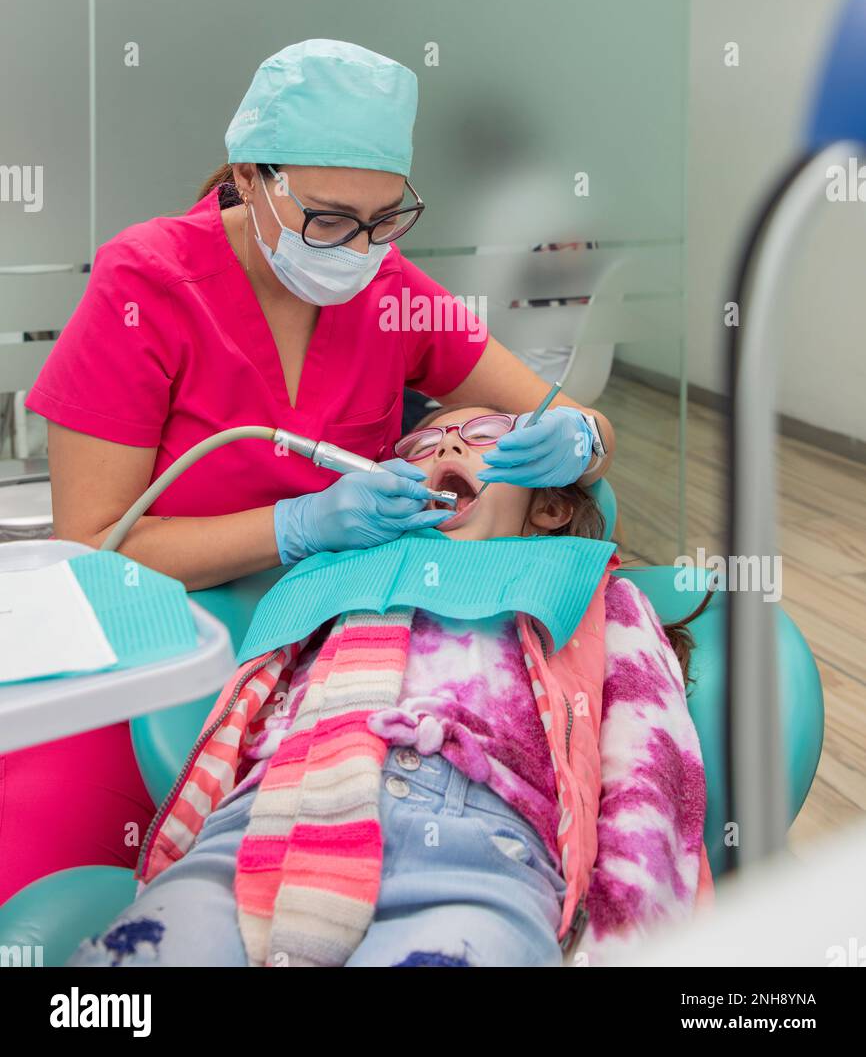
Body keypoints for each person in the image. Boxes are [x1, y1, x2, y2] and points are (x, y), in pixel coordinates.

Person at [2, 39, 614, 904]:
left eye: (382, 220)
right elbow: (92, 547)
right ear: (254, 179)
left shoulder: (387, 289)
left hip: (321, 662)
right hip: (155, 660)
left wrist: (581, 442)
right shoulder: (148, 284)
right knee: (67, 889)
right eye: (327, 219)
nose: (356, 249)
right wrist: (297, 526)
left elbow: (569, 412)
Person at [69, 404, 709, 970]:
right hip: (264, 829)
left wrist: (625, 942)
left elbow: (652, 778)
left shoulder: (591, 591)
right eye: (422, 447)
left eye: (485, 435)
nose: (449, 448)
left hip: (476, 862)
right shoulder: (336, 576)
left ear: (547, 505)